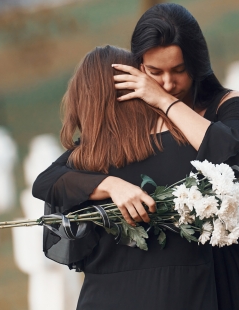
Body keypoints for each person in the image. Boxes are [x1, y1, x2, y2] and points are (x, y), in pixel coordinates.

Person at [33, 3, 239, 309]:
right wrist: (112, 185)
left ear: (196, 63)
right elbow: (48, 179)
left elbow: (225, 150)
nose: (168, 83)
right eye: (155, 73)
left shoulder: (226, 104)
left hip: (215, 268)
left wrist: (162, 100)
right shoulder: (131, 134)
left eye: (179, 70)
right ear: (137, 69)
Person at [53, 45, 218, 309]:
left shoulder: (82, 164)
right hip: (183, 294)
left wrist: (104, 183)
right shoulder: (189, 145)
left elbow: (45, 183)